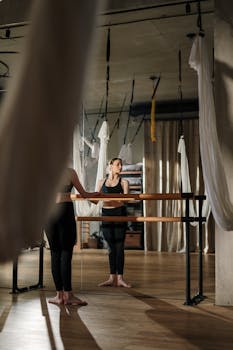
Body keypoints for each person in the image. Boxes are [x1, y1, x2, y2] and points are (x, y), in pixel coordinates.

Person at [46, 167, 99, 305]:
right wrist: (94, 195)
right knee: (66, 253)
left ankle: (59, 295)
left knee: (55, 253)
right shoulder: (69, 172)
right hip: (64, 211)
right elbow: (84, 194)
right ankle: (68, 295)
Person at [96, 157, 131, 288]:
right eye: (118, 164)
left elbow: (126, 200)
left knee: (119, 247)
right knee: (110, 247)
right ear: (110, 165)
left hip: (119, 214)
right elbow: (96, 199)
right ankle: (112, 277)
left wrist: (113, 199)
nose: (120, 167)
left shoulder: (124, 182)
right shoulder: (101, 182)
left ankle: (120, 278)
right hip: (106, 215)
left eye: (121, 165)